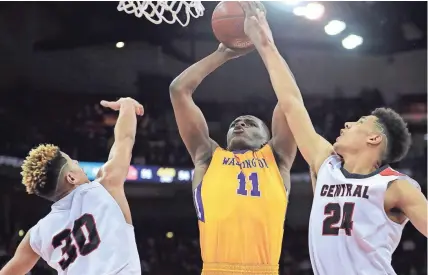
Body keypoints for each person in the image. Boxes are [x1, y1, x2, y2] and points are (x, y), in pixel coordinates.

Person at [241, 4, 428, 275]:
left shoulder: (396, 187)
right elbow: (292, 103)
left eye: (360, 122)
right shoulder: (326, 165)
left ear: (374, 138)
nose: (348, 123)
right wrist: (265, 44)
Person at [170, 4, 296, 275]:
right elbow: (179, 90)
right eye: (235, 123)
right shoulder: (208, 157)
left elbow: (290, 100)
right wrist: (222, 54)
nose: (240, 124)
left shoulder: (277, 158)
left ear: (268, 137)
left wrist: (265, 44)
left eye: (250, 123)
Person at [0, 97, 143, 275]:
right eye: (73, 162)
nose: (76, 161)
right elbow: (125, 139)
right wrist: (127, 105)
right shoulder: (106, 186)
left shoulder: (37, 234)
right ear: (71, 178)